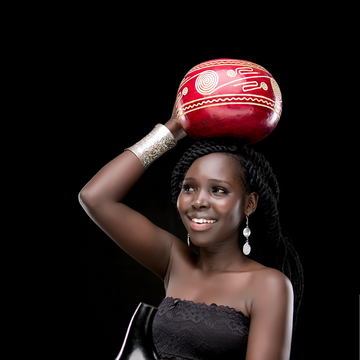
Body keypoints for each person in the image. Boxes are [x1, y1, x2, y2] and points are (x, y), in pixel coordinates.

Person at [78, 106, 304, 360]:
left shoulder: (269, 285)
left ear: (249, 204)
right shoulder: (175, 261)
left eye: (218, 190)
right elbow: (95, 197)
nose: (198, 201)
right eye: (189, 188)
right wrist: (171, 131)